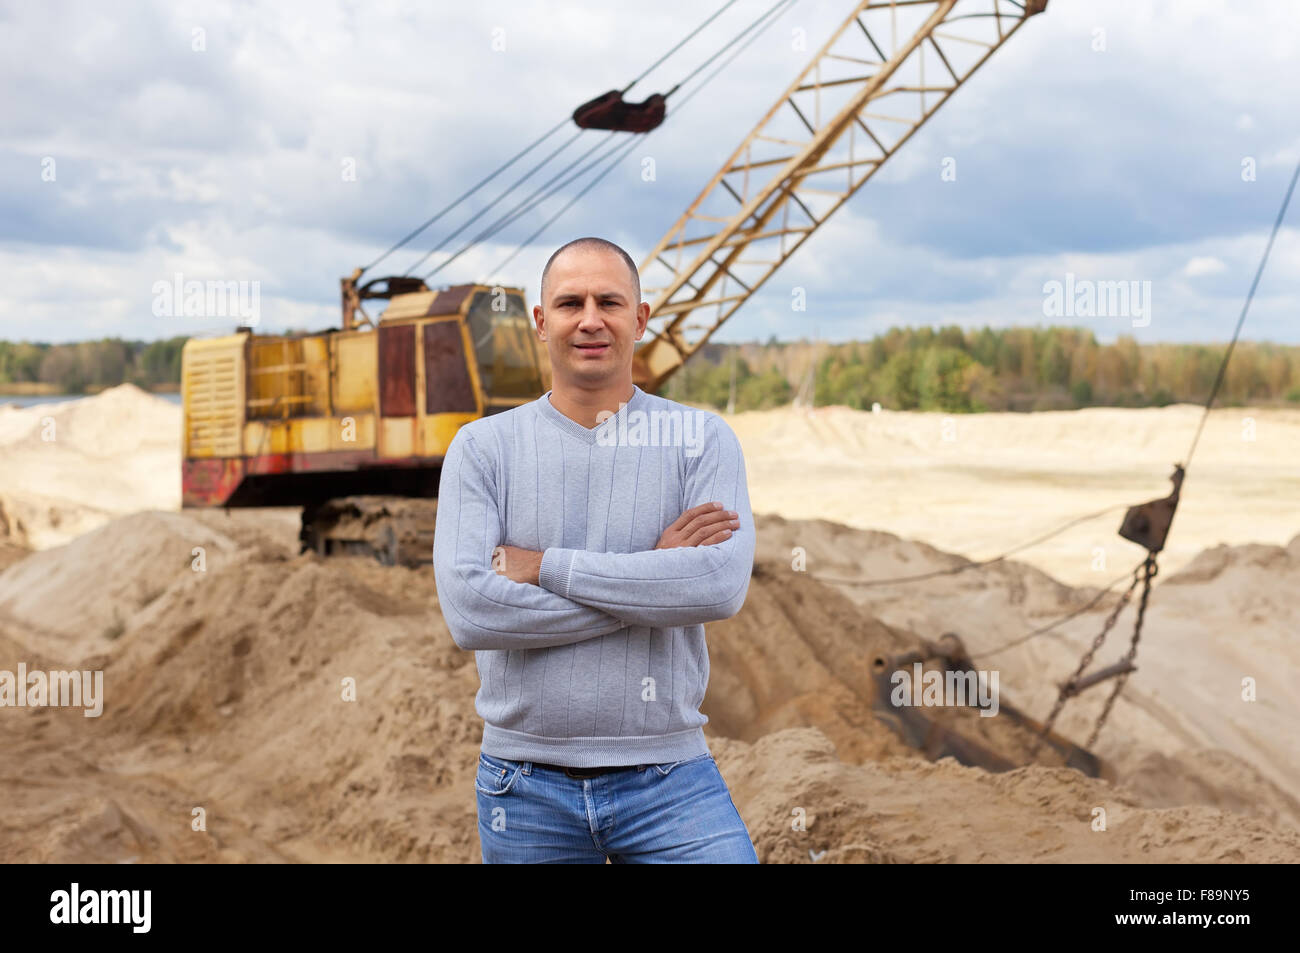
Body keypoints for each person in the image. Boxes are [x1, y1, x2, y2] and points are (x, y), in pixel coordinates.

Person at [432, 236, 758, 863]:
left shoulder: (701, 440)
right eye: (569, 303)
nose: (589, 319)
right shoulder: (482, 449)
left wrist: (545, 567)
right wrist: (653, 583)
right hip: (523, 786)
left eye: (609, 301)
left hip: (669, 777)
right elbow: (472, 613)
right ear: (540, 322)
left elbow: (717, 586)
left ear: (639, 319)